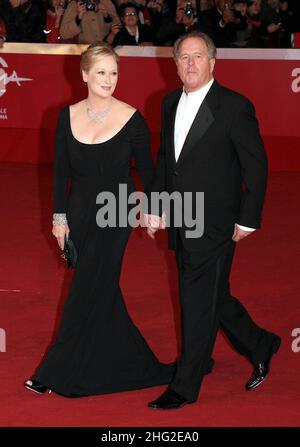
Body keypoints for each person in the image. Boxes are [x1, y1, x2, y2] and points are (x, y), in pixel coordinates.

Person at [24, 41, 175, 397]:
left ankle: (52, 371)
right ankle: (129, 362)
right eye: (102, 72)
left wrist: (154, 209)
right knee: (99, 287)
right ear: (85, 75)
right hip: (78, 211)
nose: (109, 80)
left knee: (84, 286)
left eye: (114, 73)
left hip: (116, 211)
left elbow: (150, 172)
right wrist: (59, 218)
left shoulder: (132, 118)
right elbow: (61, 172)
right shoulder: (67, 116)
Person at [145, 31, 281, 410]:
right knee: (211, 296)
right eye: (183, 57)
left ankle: (186, 383)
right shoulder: (169, 102)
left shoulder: (234, 106)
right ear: (174, 64)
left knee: (195, 298)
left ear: (213, 62)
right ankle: (260, 343)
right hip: (182, 217)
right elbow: (165, 161)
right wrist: (156, 205)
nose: (190, 63)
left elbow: (257, 166)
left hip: (218, 222)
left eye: (198, 56)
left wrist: (249, 218)